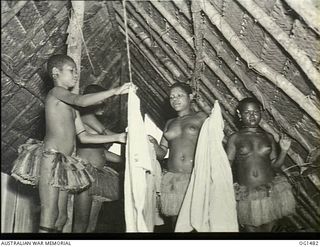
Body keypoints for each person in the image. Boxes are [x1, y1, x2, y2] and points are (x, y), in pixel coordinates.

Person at [31, 54, 131, 233]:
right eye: (71, 71)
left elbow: (84, 137)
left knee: (62, 218)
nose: (76, 75)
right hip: (51, 157)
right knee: (50, 213)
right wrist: (115, 91)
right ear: (56, 72)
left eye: (77, 72)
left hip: (66, 162)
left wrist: (116, 138)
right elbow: (81, 99)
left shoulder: (73, 108)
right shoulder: (56, 93)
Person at [226, 97, 296, 232]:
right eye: (247, 112)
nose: (252, 116)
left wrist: (284, 150)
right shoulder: (235, 138)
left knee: (269, 230)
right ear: (240, 115)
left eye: (256, 112)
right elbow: (226, 166)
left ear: (260, 113)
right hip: (246, 193)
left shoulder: (268, 137)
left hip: (269, 191)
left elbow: (275, 166)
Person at [148, 82, 207, 231]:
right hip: (173, 179)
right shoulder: (169, 122)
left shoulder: (201, 117)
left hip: (194, 177)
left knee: (197, 224)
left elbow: (213, 146)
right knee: (177, 225)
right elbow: (162, 153)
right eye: (172, 97)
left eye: (179, 95)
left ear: (191, 97)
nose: (175, 100)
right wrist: (153, 144)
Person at [73, 84, 123, 233]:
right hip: (85, 174)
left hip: (98, 176)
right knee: (81, 222)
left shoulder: (91, 119)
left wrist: (124, 160)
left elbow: (101, 153)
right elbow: (106, 132)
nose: (103, 103)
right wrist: (131, 137)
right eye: (100, 100)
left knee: (91, 225)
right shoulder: (86, 117)